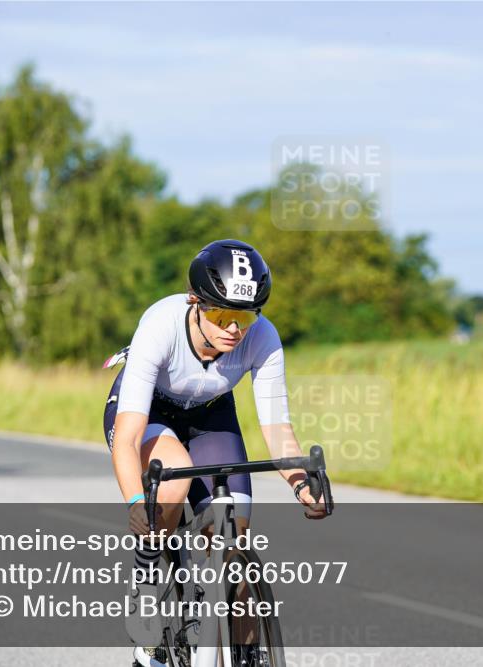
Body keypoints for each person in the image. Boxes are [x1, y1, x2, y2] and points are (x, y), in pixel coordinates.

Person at [102, 239, 327, 655]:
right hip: (150, 410)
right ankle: (149, 575)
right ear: (195, 303)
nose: (234, 329)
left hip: (210, 416)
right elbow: (128, 438)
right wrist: (137, 501)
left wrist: (301, 485)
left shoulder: (264, 338)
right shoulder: (160, 324)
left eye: (243, 315)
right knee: (172, 482)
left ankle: (246, 654)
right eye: (222, 314)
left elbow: (278, 430)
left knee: (234, 543)